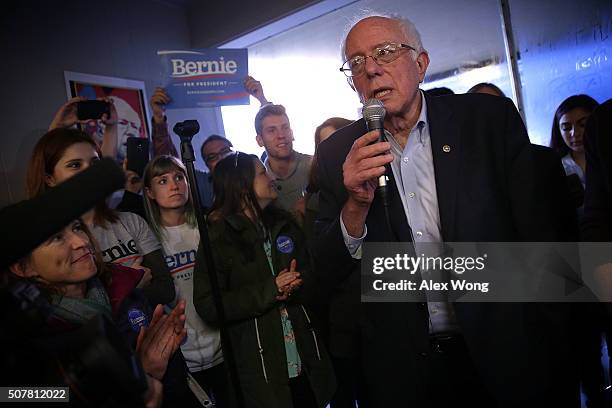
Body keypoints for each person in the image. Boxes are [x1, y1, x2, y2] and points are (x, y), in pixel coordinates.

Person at [314, 13, 576, 407]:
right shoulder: (337, 153)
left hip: (505, 354)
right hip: (406, 372)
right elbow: (325, 270)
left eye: (385, 52)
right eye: (356, 62)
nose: (370, 68)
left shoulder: (486, 121)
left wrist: (558, 344)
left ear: (420, 64)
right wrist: (355, 203)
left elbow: (541, 238)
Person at [2, 214, 193, 407]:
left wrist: (151, 374)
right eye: (57, 238)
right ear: (23, 267)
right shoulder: (21, 338)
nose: (82, 241)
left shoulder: (126, 291)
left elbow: (173, 385)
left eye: (77, 228)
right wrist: (133, 379)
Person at [193, 152, 336, 408]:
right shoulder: (218, 238)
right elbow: (208, 305)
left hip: (306, 361)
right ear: (241, 185)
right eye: (262, 173)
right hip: (262, 371)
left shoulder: (285, 223)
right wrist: (270, 290)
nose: (271, 178)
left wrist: (297, 282)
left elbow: (314, 276)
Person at [26, 128, 175, 307]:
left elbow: (165, 290)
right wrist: (129, 284)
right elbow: (70, 309)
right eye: (75, 165)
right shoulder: (44, 242)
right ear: (49, 178)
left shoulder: (131, 221)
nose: (89, 172)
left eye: (95, 163)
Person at [143, 155, 227, 406]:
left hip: (222, 346)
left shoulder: (207, 226)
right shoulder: (148, 240)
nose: (174, 185)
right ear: (149, 192)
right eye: (163, 180)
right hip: (181, 355)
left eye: (179, 177)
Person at [149, 87, 233, 209]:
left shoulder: (253, 172)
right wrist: (159, 117)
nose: (221, 158)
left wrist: (262, 100)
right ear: (207, 166)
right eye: (212, 157)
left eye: (225, 151)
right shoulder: (203, 184)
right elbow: (170, 165)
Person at [246, 77, 313, 218]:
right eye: (271, 130)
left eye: (285, 127)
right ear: (259, 140)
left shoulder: (314, 166)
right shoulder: (259, 182)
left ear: (292, 133)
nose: (281, 135)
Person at [550, 94, 600, 208]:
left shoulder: (605, 158)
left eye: (583, 124)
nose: (574, 133)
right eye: (566, 128)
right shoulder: (558, 167)